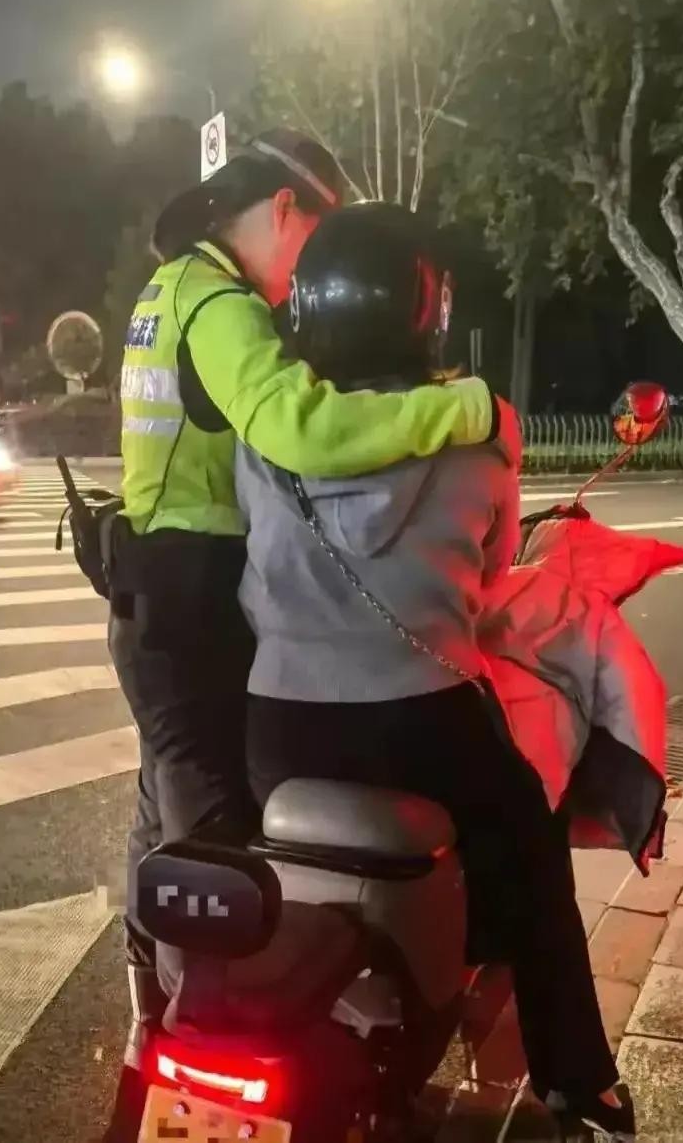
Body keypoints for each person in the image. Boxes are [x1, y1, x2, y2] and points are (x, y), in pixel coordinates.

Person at [108, 131, 515, 1069]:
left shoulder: (168, 287)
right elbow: (302, 429)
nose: (310, 277)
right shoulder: (220, 305)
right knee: (214, 838)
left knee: (162, 813)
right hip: (191, 606)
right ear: (287, 210)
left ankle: (151, 1013)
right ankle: (202, 1043)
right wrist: (466, 409)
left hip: (152, 598)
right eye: (317, 242)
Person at [235, 203, 634, 1140]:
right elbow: (488, 581)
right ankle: (578, 1080)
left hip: (278, 728)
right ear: (428, 314)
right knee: (533, 857)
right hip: (422, 720)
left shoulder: (265, 432)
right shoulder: (482, 430)